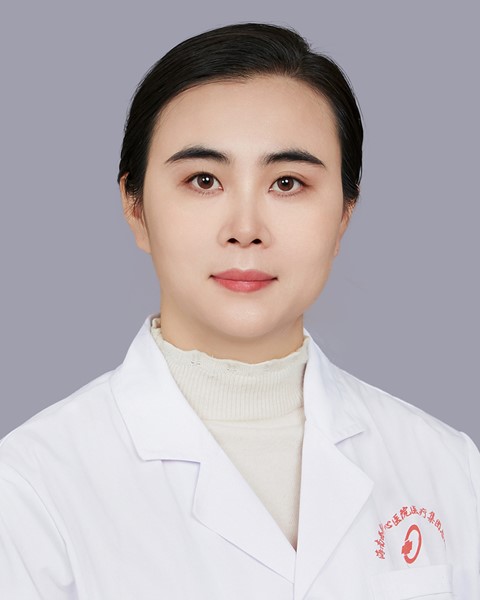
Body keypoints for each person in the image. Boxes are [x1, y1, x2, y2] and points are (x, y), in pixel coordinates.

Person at [0, 22, 478, 600]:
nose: (246, 229)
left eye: (288, 182)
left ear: (344, 215)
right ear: (135, 207)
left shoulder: (448, 468)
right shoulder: (30, 486)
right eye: (204, 180)